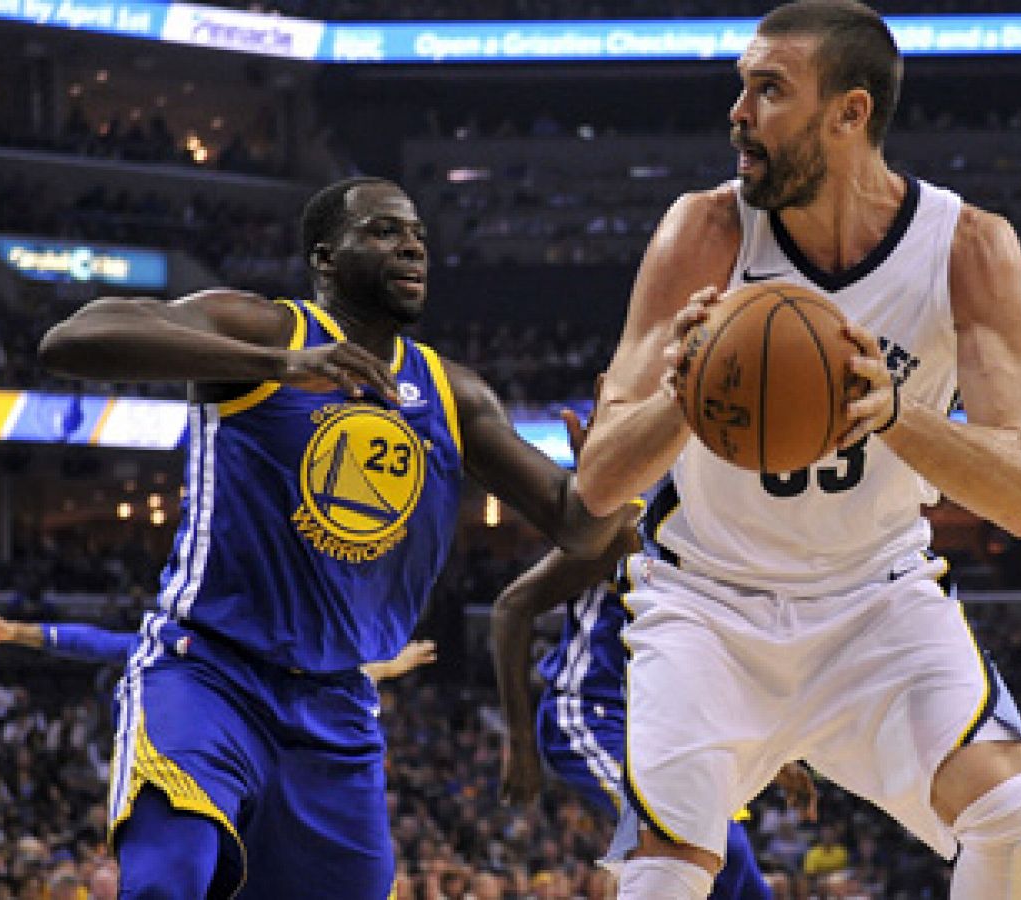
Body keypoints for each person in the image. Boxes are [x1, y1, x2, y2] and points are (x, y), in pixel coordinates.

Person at [570, 2, 1021, 897]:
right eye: (741, 88)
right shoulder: (706, 232)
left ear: (850, 112)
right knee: (662, 878)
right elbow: (598, 483)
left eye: (768, 90)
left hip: (877, 602)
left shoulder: (970, 248)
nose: (738, 114)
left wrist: (894, 414)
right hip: (704, 606)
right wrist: (682, 396)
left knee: (1018, 816)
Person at [36, 175, 629, 899]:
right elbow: (73, 339)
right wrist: (278, 368)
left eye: (416, 234)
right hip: (210, 669)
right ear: (325, 258)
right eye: (383, 231)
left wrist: (614, 462)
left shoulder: (454, 393)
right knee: (171, 875)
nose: (411, 244)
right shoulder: (264, 329)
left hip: (337, 703)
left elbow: (579, 526)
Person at [492, 481, 816, 899]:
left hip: (665, 723)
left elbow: (707, 664)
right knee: (696, 842)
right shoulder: (628, 525)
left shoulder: (725, 549)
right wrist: (519, 746)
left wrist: (771, 755)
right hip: (591, 714)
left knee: (744, 876)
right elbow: (511, 609)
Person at [0, 589, 439, 684]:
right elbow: (97, 644)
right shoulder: (184, 647)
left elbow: (328, 675)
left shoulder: (271, 649)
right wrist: (12, 631)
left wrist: (390, 666)